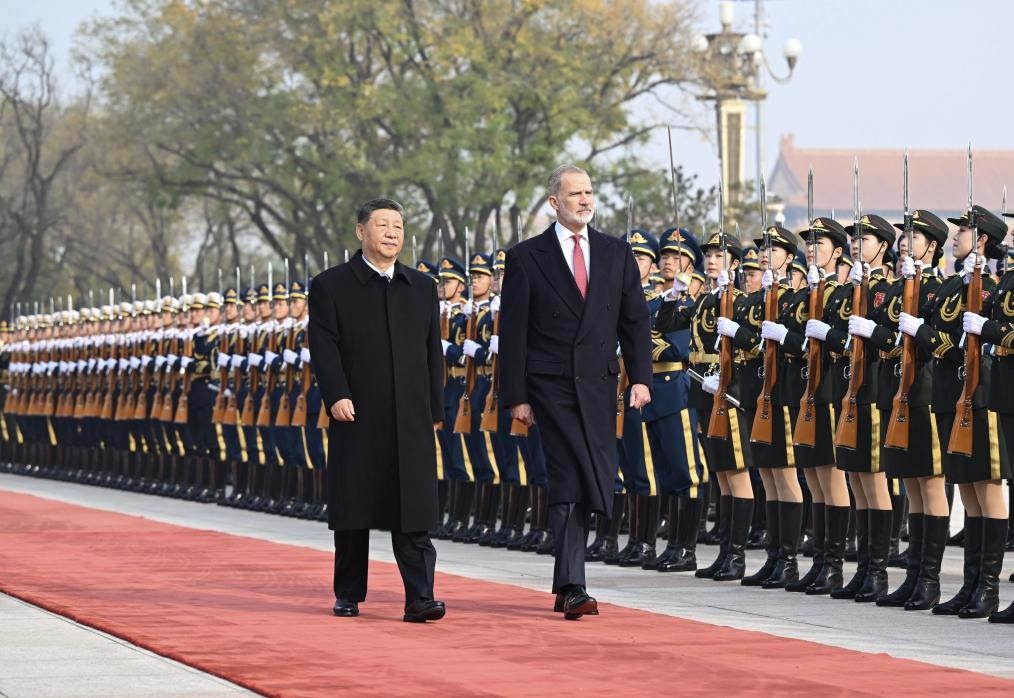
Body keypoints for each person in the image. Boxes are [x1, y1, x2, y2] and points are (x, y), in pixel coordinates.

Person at [499, 164, 651, 620]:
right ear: (554, 202)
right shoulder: (527, 256)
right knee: (567, 475)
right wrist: (516, 395)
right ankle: (573, 585)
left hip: (600, 385)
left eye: (588, 192)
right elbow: (514, 333)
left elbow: (634, 321)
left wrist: (640, 378)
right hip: (551, 386)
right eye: (574, 194)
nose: (585, 201)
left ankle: (567, 582)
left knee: (589, 478)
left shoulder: (616, 253)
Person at [308, 197, 446, 623]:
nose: (391, 233)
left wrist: (435, 408)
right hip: (357, 412)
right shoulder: (331, 285)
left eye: (398, 227)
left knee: (414, 507)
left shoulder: (421, 287)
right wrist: (336, 394)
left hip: (410, 416)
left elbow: (432, 352)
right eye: (383, 225)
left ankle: (420, 597)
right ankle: (348, 592)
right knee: (355, 505)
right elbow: (324, 346)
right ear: (360, 231)